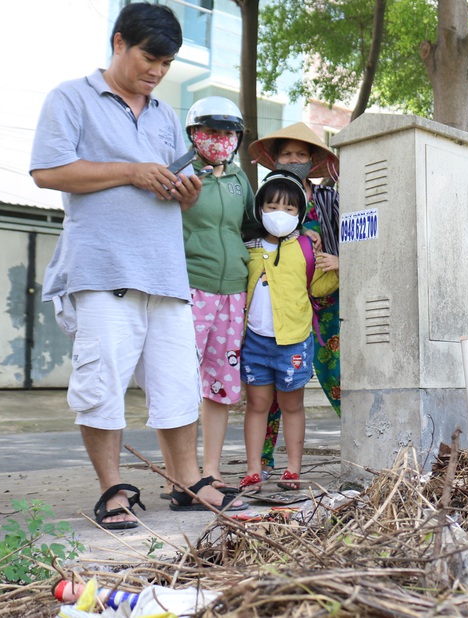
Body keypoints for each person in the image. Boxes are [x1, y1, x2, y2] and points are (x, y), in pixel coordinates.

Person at [30, 2, 243, 530]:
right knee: (102, 384)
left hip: (167, 273)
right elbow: (47, 172)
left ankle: (187, 483)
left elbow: (176, 199)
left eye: (167, 63)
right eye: (150, 57)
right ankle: (112, 489)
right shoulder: (71, 97)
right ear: (119, 41)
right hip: (103, 270)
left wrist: (185, 191)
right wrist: (131, 171)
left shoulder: (167, 115)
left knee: (177, 384)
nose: (157, 71)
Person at [246, 123, 341, 479]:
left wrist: (340, 260)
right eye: (287, 154)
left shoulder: (330, 199)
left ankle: (362, 443)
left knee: (335, 376)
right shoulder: (265, 200)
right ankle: (264, 460)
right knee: (267, 385)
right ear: (275, 158)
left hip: (325, 301)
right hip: (275, 305)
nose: (294, 160)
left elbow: (358, 239)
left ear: (313, 160)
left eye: (301, 154)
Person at [180, 96, 254, 494]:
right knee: (181, 381)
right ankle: (184, 470)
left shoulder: (240, 179)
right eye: (211, 131)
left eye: (228, 132)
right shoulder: (182, 173)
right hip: (192, 285)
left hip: (233, 292)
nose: (220, 139)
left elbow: (249, 226)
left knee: (221, 384)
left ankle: (211, 469)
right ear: (194, 134)